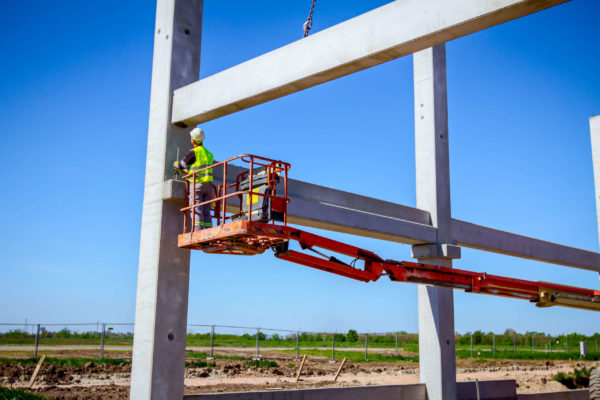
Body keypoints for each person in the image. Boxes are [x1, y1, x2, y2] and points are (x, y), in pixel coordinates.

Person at [173, 127, 215, 231]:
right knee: (206, 211)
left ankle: (198, 231)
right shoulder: (209, 154)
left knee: (196, 209)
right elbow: (200, 168)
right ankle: (208, 232)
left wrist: (175, 164)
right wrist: (188, 171)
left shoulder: (193, 152)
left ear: (192, 139)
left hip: (197, 185)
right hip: (208, 186)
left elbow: (181, 165)